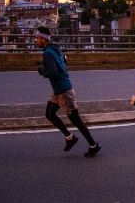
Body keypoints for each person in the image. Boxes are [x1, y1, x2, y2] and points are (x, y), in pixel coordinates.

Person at [35, 27, 101, 157]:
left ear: (43, 39)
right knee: (49, 114)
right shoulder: (55, 48)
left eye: (37, 38)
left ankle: (93, 145)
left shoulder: (48, 53)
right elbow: (65, 63)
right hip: (59, 91)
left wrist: (43, 72)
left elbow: (53, 72)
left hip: (64, 92)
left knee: (76, 121)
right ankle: (70, 137)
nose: (35, 40)